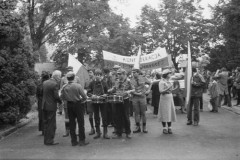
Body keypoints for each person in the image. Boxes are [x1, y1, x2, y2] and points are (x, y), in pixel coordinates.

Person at [60, 72, 89, 146]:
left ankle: (73, 141)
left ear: (67, 78)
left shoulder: (64, 86)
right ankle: (82, 141)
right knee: (81, 123)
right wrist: (82, 100)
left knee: (72, 123)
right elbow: (84, 96)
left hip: (69, 105)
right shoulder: (78, 86)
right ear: (74, 78)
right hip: (78, 104)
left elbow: (62, 97)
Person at [109, 68, 134, 139]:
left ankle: (128, 132)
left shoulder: (128, 81)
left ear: (124, 74)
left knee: (126, 117)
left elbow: (133, 89)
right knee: (117, 117)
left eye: (120, 74)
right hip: (117, 101)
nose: (118, 75)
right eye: (118, 74)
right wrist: (110, 90)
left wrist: (128, 92)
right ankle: (118, 133)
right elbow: (114, 88)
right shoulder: (116, 81)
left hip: (125, 100)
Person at [87, 69, 110, 139]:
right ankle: (98, 132)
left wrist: (105, 95)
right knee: (96, 117)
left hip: (103, 102)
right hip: (95, 102)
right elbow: (88, 92)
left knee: (104, 116)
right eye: (96, 75)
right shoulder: (91, 83)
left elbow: (108, 92)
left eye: (99, 75)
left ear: (101, 75)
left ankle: (105, 133)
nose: (97, 76)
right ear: (94, 75)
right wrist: (92, 95)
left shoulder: (104, 82)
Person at [60, 66, 81, 137]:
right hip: (67, 101)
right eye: (68, 70)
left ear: (73, 70)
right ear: (66, 71)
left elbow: (80, 88)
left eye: (71, 70)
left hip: (75, 100)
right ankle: (67, 130)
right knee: (67, 117)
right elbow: (61, 90)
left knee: (77, 116)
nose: (69, 71)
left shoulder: (77, 78)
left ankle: (76, 130)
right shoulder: (63, 79)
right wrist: (63, 100)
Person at [42, 70, 62, 145]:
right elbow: (56, 96)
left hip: (44, 105)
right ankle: (50, 140)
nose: (60, 78)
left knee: (46, 123)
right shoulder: (55, 84)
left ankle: (46, 140)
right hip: (51, 106)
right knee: (51, 124)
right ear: (56, 76)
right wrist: (60, 101)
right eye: (59, 76)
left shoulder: (45, 82)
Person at [131, 67, 150, 133]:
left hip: (142, 97)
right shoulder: (131, 80)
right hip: (135, 97)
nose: (133, 74)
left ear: (138, 73)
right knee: (136, 113)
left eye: (134, 72)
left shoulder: (143, 78)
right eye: (132, 72)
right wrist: (134, 93)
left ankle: (144, 127)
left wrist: (148, 90)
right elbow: (131, 89)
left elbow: (150, 83)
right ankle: (137, 127)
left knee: (143, 113)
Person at [158, 69, 177, 134]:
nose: (170, 75)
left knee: (170, 112)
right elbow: (161, 91)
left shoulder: (169, 81)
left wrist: (174, 89)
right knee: (164, 112)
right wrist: (168, 89)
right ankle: (164, 128)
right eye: (169, 73)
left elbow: (171, 90)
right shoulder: (161, 82)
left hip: (169, 97)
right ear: (166, 75)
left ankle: (169, 127)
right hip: (164, 98)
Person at [36, 71, 50, 135]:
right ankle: (48, 129)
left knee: (41, 115)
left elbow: (37, 95)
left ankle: (43, 130)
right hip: (47, 100)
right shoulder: (48, 84)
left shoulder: (39, 85)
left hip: (41, 101)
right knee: (48, 115)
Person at [85, 69, 96, 135]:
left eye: (91, 72)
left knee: (97, 115)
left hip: (97, 99)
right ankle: (92, 128)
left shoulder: (97, 80)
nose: (89, 74)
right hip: (90, 99)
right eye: (88, 73)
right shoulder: (87, 81)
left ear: (93, 73)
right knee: (90, 114)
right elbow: (86, 90)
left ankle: (98, 129)